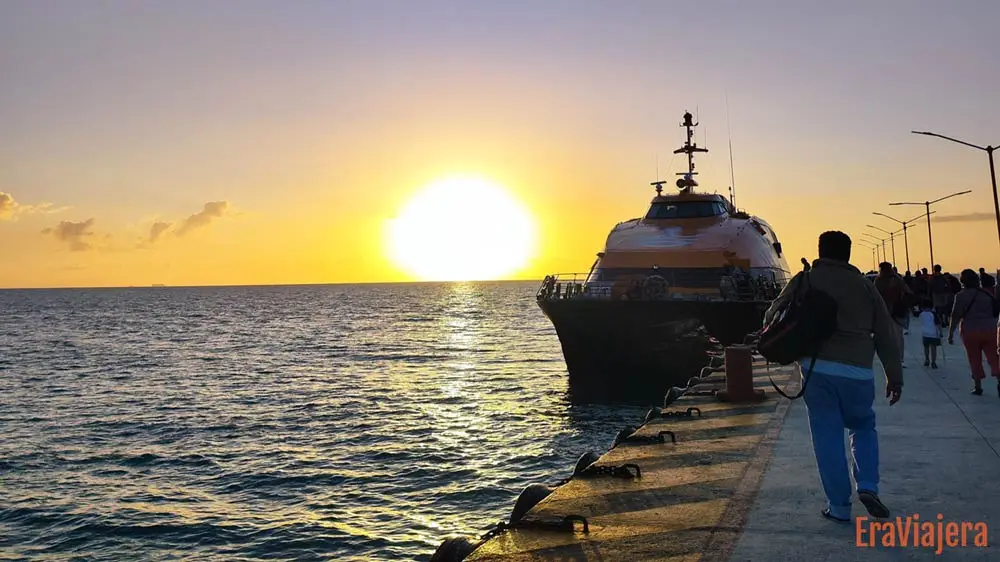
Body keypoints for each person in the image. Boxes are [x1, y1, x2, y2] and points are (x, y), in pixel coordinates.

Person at [765, 231, 902, 523]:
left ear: (820, 251)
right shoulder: (865, 286)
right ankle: (868, 485)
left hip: (817, 369)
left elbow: (771, 316)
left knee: (827, 436)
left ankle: (839, 507)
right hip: (858, 370)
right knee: (863, 426)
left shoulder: (805, 280)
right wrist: (894, 375)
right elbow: (886, 333)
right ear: (848, 254)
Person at [948, 269, 1000, 396]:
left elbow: (955, 315)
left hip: (970, 330)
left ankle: (978, 387)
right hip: (990, 329)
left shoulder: (960, 296)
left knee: (974, 358)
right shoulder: (987, 294)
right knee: (994, 357)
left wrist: (950, 333)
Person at [874, 262, 911, 367]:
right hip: (889, 312)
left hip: (891, 312)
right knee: (895, 337)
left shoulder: (883, 281)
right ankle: (898, 358)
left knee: (894, 337)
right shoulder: (893, 280)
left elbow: (874, 296)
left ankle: (897, 358)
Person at [917, 299, 942, 368]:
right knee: (933, 348)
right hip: (934, 334)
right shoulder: (933, 314)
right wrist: (941, 332)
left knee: (926, 347)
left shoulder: (921, 314)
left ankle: (927, 359)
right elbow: (938, 324)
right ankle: (933, 362)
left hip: (925, 333)